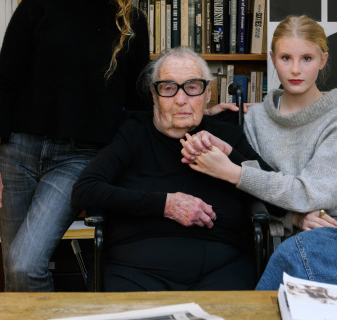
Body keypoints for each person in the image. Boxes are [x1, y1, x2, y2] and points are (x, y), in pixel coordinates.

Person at [0, 0, 150, 292]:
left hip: (78, 159)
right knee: (15, 272)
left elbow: (138, 105)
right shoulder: (37, 6)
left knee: (24, 266)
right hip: (17, 153)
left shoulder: (132, 22)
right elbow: (4, 85)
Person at [180, 15, 337, 289]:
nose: (295, 70)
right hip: (301, 240)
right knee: (298, 256)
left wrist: (235, 172)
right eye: (286, 58)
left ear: (323, 60)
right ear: (273, 59)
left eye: (306, 58)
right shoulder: (255, 120)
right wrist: (292, 218)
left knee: (296, 255)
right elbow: (252, 195)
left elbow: (313, 194)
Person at [71, 47, 283, 292]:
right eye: (169, 88)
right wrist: (166, 205)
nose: (181, 100)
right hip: (134, 270)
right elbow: (85, 190)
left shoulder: (227, 135)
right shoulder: (132, 132)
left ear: (208, 94)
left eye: (192, 87)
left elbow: (277, 203)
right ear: (154, 95)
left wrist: (229, 153)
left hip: (221, 269)